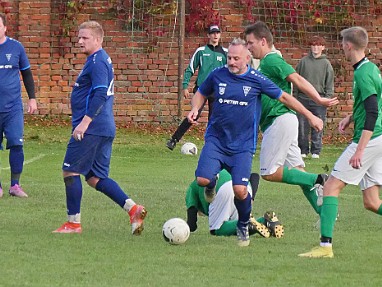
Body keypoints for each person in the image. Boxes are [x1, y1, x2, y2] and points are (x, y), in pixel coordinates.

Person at [187, 38, 323, 247]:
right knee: (203, 180)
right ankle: (211, 186)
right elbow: (201, 93)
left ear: (247, 59)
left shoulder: (256, 79)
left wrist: (310, 115)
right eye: (229, 58)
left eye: (235, 59)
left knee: (241, 191)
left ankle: (243, 224)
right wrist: (195, 108)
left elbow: (285, 98)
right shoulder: (218, 74)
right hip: (216, 141)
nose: (231, 62)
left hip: (242, 146)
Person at [53, 21, 146, 234]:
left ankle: (73, 223)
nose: (79, 41)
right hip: (103, 127)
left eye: (84, 38)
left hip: (92, 128)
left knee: (70, 170)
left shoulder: (97, 61)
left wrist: (84, 123)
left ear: (98, 39)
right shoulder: (98, 60)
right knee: (95, 178)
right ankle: (133, 209)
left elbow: (100, 93)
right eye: (79, 37)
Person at [299, 26, 382, 259]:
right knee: (372, 202)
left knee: (331, 186)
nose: (341, 47)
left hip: (370, 139)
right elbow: (372, 104)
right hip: (379, 138)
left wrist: (360, 150)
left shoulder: (363, 74)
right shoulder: (370, 69)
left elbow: (373, 111)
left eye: (342, 44)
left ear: (348, 45)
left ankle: (325, 247)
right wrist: (350, 117)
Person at [244, 21, 338, 218]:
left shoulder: (271, 60)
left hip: (279, 121)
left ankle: (320, 179)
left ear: (263, 41)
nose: (248, 47)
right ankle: (324, 212)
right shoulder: (265, 64)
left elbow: (297, 79)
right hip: (283, 122)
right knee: (299, 174)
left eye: (250, 43)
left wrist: (318, 101)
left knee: (269, 173)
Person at [166, 25, 227, 150]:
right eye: (213, 33)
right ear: (208, 35)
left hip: (217, 90)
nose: (215, 35)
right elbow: (190, 69)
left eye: (217, 33)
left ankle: (211, 146)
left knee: (214, 119)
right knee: (193, 115)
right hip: (202, 89)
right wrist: (185, 86)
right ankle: (174, 139)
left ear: (220, 35)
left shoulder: (225, 53)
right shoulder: (201, 51)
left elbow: (231, 71)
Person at [0, 13, 37, 198]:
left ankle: (15, 185)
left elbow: (27, 74)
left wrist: (32, 98)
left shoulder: (16, 47)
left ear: (5, 27)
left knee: (16, 143)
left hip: (13, 107)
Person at [186, 169, 284, 238]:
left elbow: (191, 221)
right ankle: (265, 221)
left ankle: (248, 222)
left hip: (223, 189)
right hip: (243, 187)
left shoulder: (193, 186)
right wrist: (251, 197)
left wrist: (184, 230)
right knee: (237, 230)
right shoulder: (226, 167)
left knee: (217, 230)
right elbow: (254, 176)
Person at [295, 36, 334, 159]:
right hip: (303, 99)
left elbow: (329, 83)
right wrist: (295, 96)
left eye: (318, 45)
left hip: (319, 99)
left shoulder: (326, 64)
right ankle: (303, 150)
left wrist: (327, 98)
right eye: (313, 45)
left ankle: (316, 151)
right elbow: (296, 79)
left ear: (323, 47)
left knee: (318, 126)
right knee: (302, 126)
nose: (315, 48)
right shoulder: (303, 62)